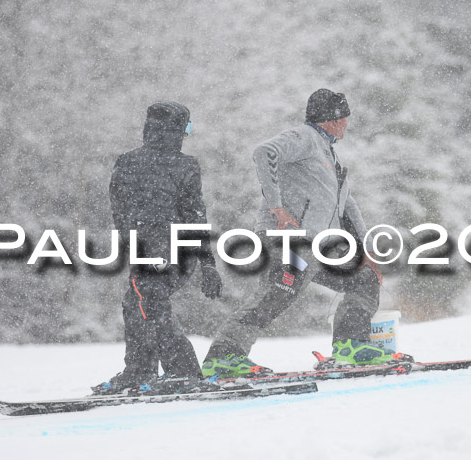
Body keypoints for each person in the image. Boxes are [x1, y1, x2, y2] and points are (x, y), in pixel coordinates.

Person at [202, 89, 395, 378]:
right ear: (332, 119)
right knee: (278, 292)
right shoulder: (304, 137)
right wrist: (277, 207)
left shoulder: (329, 153)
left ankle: (351, 346)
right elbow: (264, 152)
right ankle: (224, 356)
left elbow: (347, 204)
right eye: (344, 118)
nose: (346, 124)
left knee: (363, 278)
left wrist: (365, 250)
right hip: (288, 239)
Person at [94, 102, 223, 394]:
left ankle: (179, 370)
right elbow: (195, 216)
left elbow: (121, 212)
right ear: (178, 129)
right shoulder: (184, 165)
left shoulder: (128, 162)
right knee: (136, 303)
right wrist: (206, 263)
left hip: (159, 250)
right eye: (187, 128)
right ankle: (144, 369)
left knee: (148, 303)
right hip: (174, 250)